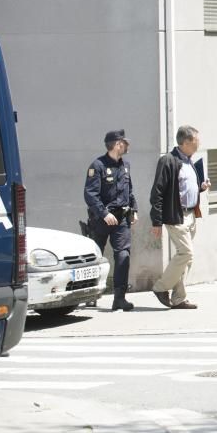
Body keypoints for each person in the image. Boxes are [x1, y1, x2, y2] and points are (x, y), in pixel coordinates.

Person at [149, 125, 210, 309]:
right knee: (186, 252)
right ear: (185, 142)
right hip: (176, 215)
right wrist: (157, 221)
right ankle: (161, 287)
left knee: (186, 258)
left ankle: (178, 299)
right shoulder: (168, 161)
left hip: (191, 214)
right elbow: (157, 192)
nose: (198, 143)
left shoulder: (189, 161)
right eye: (196, 140)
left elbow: (185, 187)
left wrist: (201, 187)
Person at [83, 129, 138, 311]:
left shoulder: (125, 165)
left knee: (123, 255)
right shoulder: (97, 166)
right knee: (94, 256)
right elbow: (90, 195)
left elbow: (129, 190)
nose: (127, 146)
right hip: (101, 219)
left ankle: (119, 298)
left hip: (121, 219)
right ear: (116, 144)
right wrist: (104, 214)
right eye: (124, 143)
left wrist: (134, 209)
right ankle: (90, 295)